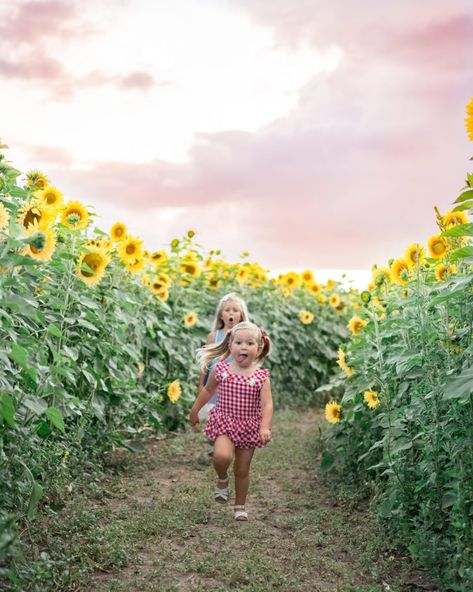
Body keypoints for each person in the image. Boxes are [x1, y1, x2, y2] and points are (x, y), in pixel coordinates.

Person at [189, 321, 273, 521]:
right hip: (225, 423)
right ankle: (222, 478)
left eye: (250, 343)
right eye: (239, 342)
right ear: (230, 346)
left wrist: (264, 427)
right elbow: (208, 390)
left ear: (259, 348)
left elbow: (267, 405)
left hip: (249, 427)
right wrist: (195, 410)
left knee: (242, 469)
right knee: (221, 457)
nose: (243, 347)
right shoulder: (221, 369)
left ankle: (240, 506)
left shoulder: (261, 377)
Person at [196, 293, 249, 454]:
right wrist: (200, 385)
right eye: (227, 310)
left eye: (235, 310)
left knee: (232, 422)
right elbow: (205, 362)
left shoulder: (245, 336)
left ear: (241, 315)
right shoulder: (214, 336)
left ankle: (225, 446)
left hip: (235, 389)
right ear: (221, 315)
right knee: (212, 422)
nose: (231, 313)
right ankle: (215, 445)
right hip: (214, 388)